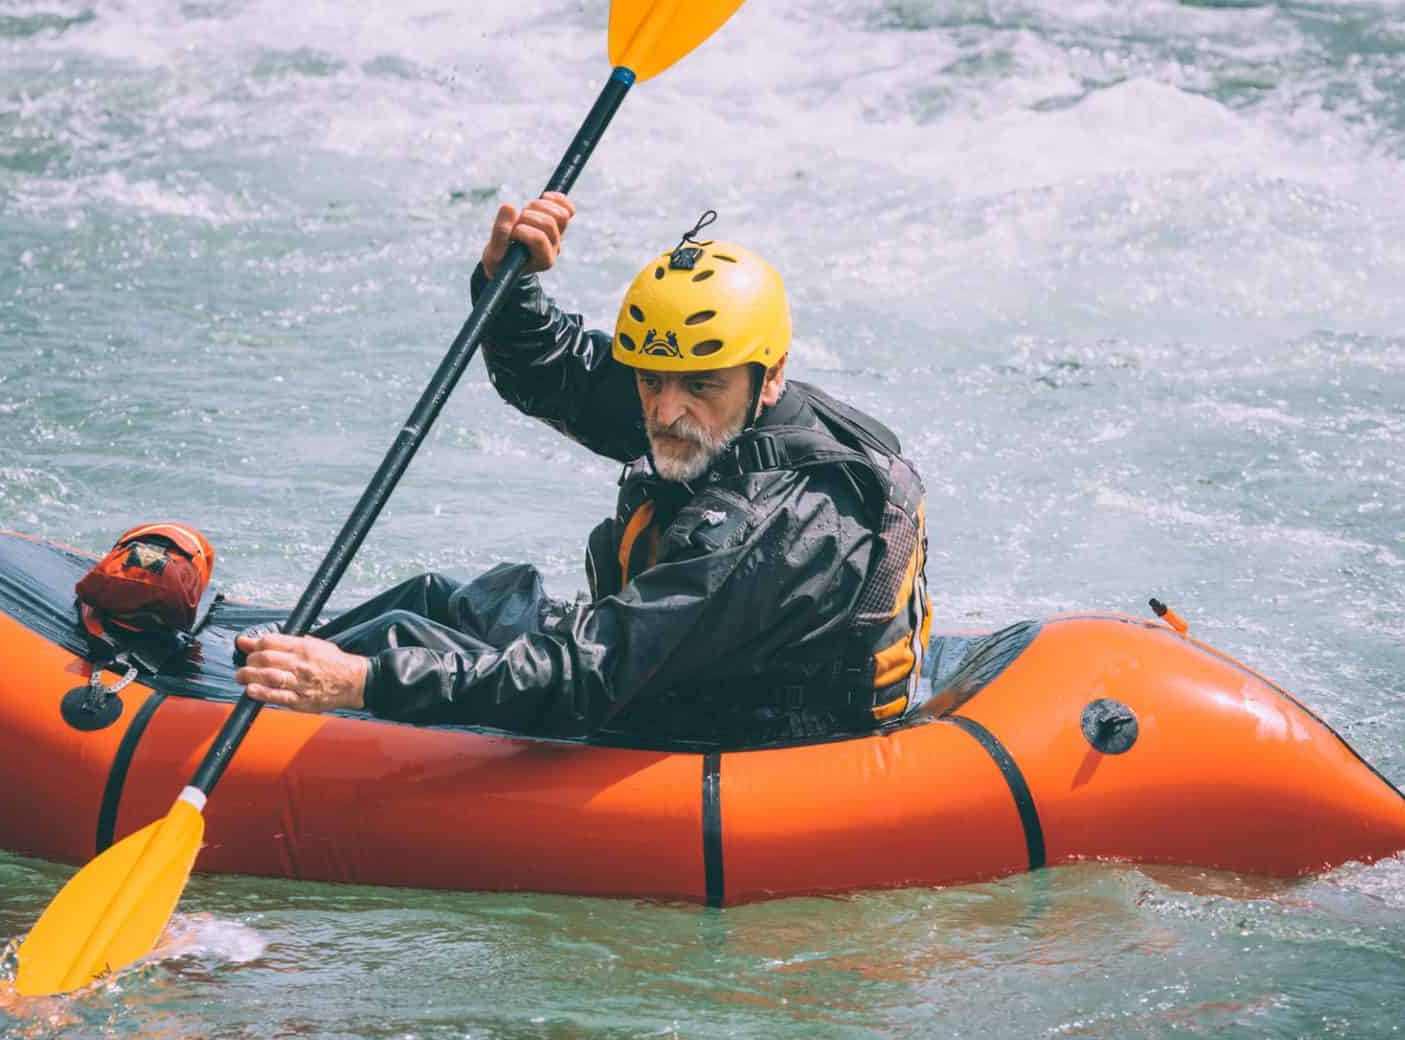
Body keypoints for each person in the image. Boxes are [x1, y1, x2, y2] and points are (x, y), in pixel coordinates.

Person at [235, 194, 931, 746]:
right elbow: (563, 376)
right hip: (681, 659)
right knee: (432, 598)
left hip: (728, 733)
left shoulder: (771, 527)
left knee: (400, 646)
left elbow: (587, 677)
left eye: (696, 386)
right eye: (650, 381)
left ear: (769, 374)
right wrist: (509, 282)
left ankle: (276, 719)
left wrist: (363, 682)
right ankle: (277, 678)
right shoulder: (720, 405)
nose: (665, 411)